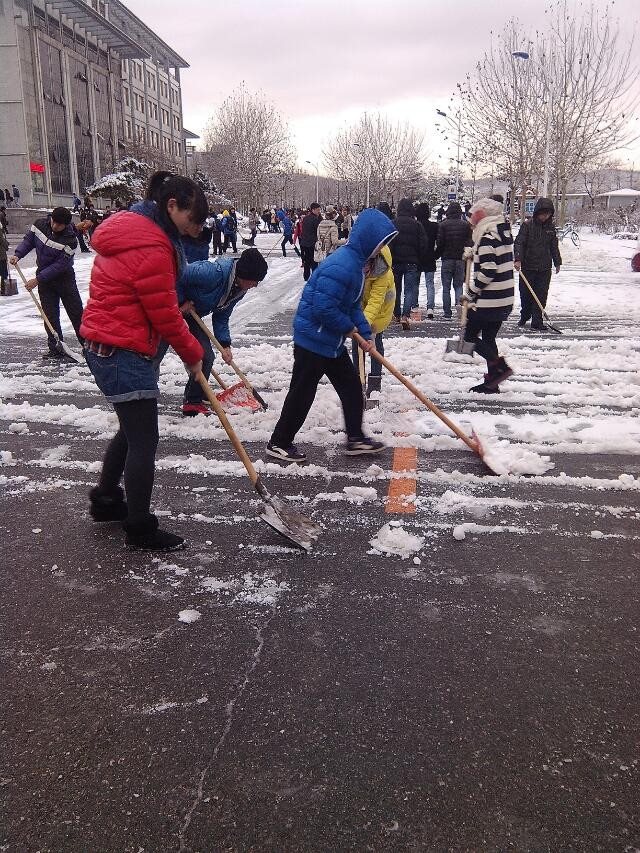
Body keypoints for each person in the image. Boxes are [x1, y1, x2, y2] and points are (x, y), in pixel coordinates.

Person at [80, 171, 207, 552]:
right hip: (121, 348)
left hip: (108, 341)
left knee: (132, 429)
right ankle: (138, 526)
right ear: (172, 206)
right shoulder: (151, 245)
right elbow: (165, 315)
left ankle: (106, 500)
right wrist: (193, 354)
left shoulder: (135, 229)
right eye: (191, 219)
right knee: (144, 438)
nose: (193, 229)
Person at [265, 208, 397, 463]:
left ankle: (356, 438)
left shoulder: (357, 265)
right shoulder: (342, 265)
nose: (381, 248)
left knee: (350, 387)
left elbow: (352, 305)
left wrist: (366, 333)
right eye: (380, 242)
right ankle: (279, 442)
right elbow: (324, 308)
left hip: (330, 342)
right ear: (369, 240)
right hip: (313, 340)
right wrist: (349, 329)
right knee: (302, 393)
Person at [165, 248, 269, 416]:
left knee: (206, 356)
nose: (255, 285)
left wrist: (225, 344)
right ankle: (188, 401)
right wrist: (181, 301)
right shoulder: (213, 273)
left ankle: (195, 397)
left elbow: (221, 316)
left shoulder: (239, 289)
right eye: (254, 280)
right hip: (167, 307)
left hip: (192, 314)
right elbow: (176, 274)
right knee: (196, 355)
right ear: (243, 275)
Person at [10, 206, 84, 359]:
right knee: (49, 314)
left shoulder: (71, 240)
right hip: (44, 279)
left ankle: (88, 348)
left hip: (64, 279)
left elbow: (60, 265)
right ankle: (56, 349)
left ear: (66, 225)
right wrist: (18, 255)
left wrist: (38, 279)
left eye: (59, 224)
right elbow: (29, 240)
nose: (55, 226)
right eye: (54, 222)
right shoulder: (39, 225)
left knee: (76, 312)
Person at [463, 198, 515, 393]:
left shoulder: (486, 237)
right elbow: (493, 260)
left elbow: (488, 270)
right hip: (504, 298)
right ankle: (492, 382)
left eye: (473, 213)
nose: (470, 217)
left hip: (490, 300)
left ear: (483, 215)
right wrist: (473, 254)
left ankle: (499, 369)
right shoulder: (500, 234)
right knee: (489, 337)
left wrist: (471, 291)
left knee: (469, 336)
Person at [352, 243, 395, 400]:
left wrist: (365, 324)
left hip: (381, 310)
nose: (363, 270)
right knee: (357, 342)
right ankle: (358, 381)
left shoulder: (382, 273)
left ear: (373, 262)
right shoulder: (355, 267)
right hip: (362, 308)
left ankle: (375, 382)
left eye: (366, 266)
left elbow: (376, 302)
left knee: (374, 342)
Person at [513, 197, 562, 330]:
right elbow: (519, 243)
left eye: (548, 214)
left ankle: (537, 321)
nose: (545, 217)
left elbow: (554, 246)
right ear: (537, 212)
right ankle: (525, 314)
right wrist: (518, 259)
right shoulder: (527, 225)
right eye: (543, 213)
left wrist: (557, 262)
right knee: (525, 294)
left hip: (544, 268)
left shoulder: (550, 228)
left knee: (541, 294)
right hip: (528, 266)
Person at [390, 198, 427, 329]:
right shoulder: (417, 225)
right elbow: (423, 244)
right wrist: (418, 258)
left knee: (396, 289)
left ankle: (397, 314)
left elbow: (389, 243)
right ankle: (406, 316)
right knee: (409, 290)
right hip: (412, 262)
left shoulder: (393, 224)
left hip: (396, 262)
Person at [436, 201, 472, 319]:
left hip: (447, 258)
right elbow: (469, 242)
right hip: (460, 259)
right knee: (458, 286)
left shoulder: (443, 225)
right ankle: (459, 306)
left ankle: (447, 312)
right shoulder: (465, 225)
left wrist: (437, 255)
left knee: (446, 287)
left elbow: (440, 243)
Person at [415, 203, 439, 319]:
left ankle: (414, 305)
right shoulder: (434, 226)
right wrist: (436, 255)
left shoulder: (415, 225)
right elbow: (439, 242)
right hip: (430, 256)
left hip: (417, 257)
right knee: (430, 284)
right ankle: (430, 307)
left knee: (415, 283)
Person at [299, 202, 322, 281]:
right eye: (318, 210)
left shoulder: (305, 218)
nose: (319, 211)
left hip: (305, 242)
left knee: (307, 260)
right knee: (314, 260)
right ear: (313, 210)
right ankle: (314, 277)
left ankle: (306, 276)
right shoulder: (316, 219)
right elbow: (318, 230)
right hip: (312, 243)